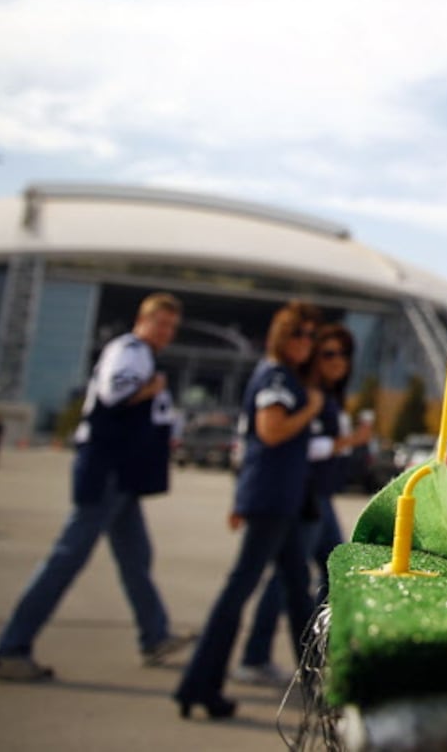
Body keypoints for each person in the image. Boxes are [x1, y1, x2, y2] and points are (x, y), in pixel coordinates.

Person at [0, 293, 192, 682]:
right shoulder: (130, 351)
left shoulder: (140, 353)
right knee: (67, 557)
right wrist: (152, 386)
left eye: (171, 327)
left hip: (121, 474)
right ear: (141, 321)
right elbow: (116, 393)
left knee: (136, 557)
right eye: (160, 323)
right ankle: (11, 648)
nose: (165, 333)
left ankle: (155, 634)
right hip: (106, 471)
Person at [174, 301, 325, 720]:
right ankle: (199, 683)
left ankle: (315, 681)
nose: (305, 343)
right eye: (298, 334)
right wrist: (310, 410)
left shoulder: (282, 376)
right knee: (240, 589)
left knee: (297, 591)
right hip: (273, 500)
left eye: (310, 336)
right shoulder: (276, 377)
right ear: (281, 336)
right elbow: (270, 431)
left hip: (283, 500)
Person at [234, 322, 371, 687]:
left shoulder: (327, 395)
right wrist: (348, 441)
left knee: (330, 575)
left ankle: (320, 652)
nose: (338, 361)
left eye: (344, 354)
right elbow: (297, 444)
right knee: (283, 581)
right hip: (301, 498)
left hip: (319, 498)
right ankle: (258, 656)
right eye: (329, 353)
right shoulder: (308, 394)